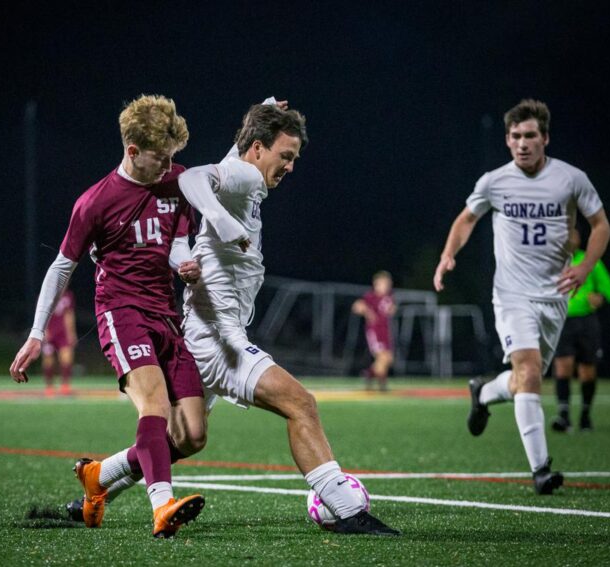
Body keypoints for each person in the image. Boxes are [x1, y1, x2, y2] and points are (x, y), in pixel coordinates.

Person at [66, 98, 400, 536]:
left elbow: (228, 158)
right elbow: (198, 179)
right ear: (258, 149)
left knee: (183, 439)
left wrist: (262, 108)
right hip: (216, 340)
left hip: (204, 332)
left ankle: (100, 477)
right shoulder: (243, 175)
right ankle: (345, 509)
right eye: (285, 156)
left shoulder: (242, 168)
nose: (290, 167)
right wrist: (221, 220)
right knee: (300, 403)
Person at [10, 94, 208, 538]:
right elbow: (62, 267)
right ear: (132, 151)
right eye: (160, 158)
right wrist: (37, 333)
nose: (167, 167)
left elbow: (175, 241)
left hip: (166, 314)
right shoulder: (95, 202)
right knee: (154, 404)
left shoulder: (177, 181)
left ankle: (100, 476)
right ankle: (162, 506)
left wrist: (184, 264)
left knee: (193, 434)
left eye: (172, 158)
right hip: (121, 312)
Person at [433, 99, 610, 495]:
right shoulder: (495, 181)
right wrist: (449, 255)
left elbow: (600, 226)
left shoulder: (570, 178)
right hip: (512, 294)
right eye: (515, 136)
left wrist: (584, 268)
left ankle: (483, 391)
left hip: (555, 297)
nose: (522, 143)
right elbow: (467, 218)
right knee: (530, 373)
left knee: (522, 380)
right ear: (508, 140)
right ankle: (541, 469)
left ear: (545, 138)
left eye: (530, 135)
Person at [551, 228, 610, 432]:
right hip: (562, 321)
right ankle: (563, 415)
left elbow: (609, 289)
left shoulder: (589, 262)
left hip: (586, 321)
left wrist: (601, 297)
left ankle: (585, 415)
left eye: (574, 234)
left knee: (587, 370)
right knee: (563, 366)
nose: (570, 238)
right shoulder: (552, 262)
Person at [352, 271, 397, 391]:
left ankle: (370, 374)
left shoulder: (389, 297)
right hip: (375, 331)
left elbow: (391, 310)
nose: (387, 286)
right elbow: (356, 306)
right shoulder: (371, 296)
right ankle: (382, 384)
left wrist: (392, 309)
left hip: (385, 332)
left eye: (388, 283)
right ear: (376, 284)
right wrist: (368, 312)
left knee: (388, 359)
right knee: (383, 357)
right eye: (384, 283)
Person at [41, 287, 77, 396]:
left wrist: (71, 333)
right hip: (49, 333)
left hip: (63, 333)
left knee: (66, 358)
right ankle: (49, 387)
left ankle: (65, 386)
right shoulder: (44, 295)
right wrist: (43, 330)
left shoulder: (68, 295)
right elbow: (41, 314)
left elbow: (69, 314)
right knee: (48, 360)